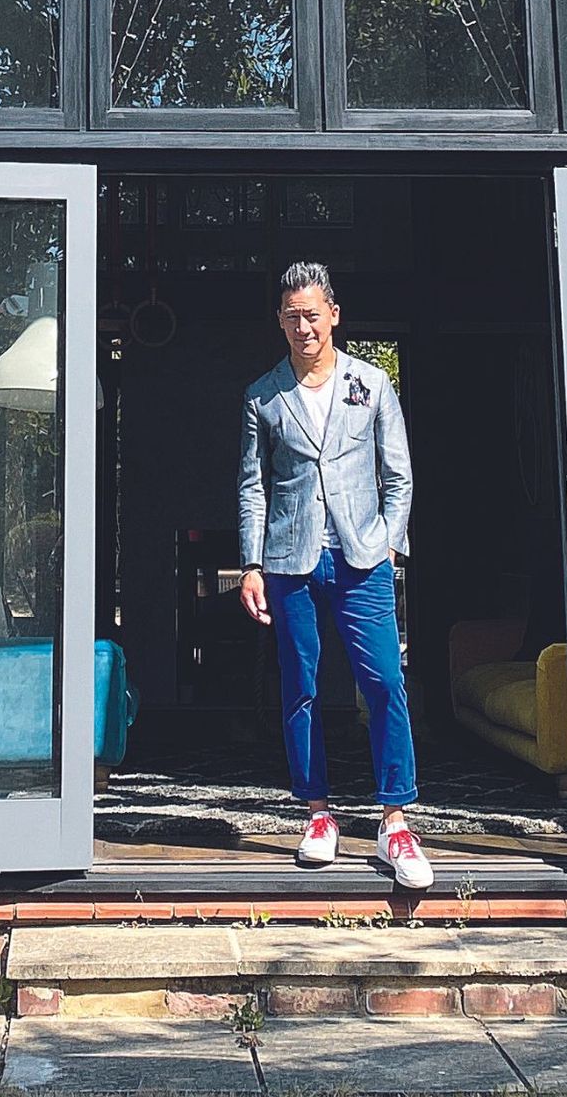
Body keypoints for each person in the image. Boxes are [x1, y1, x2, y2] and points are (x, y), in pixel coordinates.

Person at [236, 261, 432, 891]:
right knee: (303, 686)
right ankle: (318, 814)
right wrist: (250, 564)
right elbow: (253, 487)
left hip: (361, 557)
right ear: (280, 322)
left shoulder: (371, 385)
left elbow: (397, 476)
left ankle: (395, 819)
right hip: (290, 560)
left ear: (334, 315)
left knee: (383, 682)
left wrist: (387, 545)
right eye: (292, 317)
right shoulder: (263, 395)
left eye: (312, 315)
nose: (304, 328)